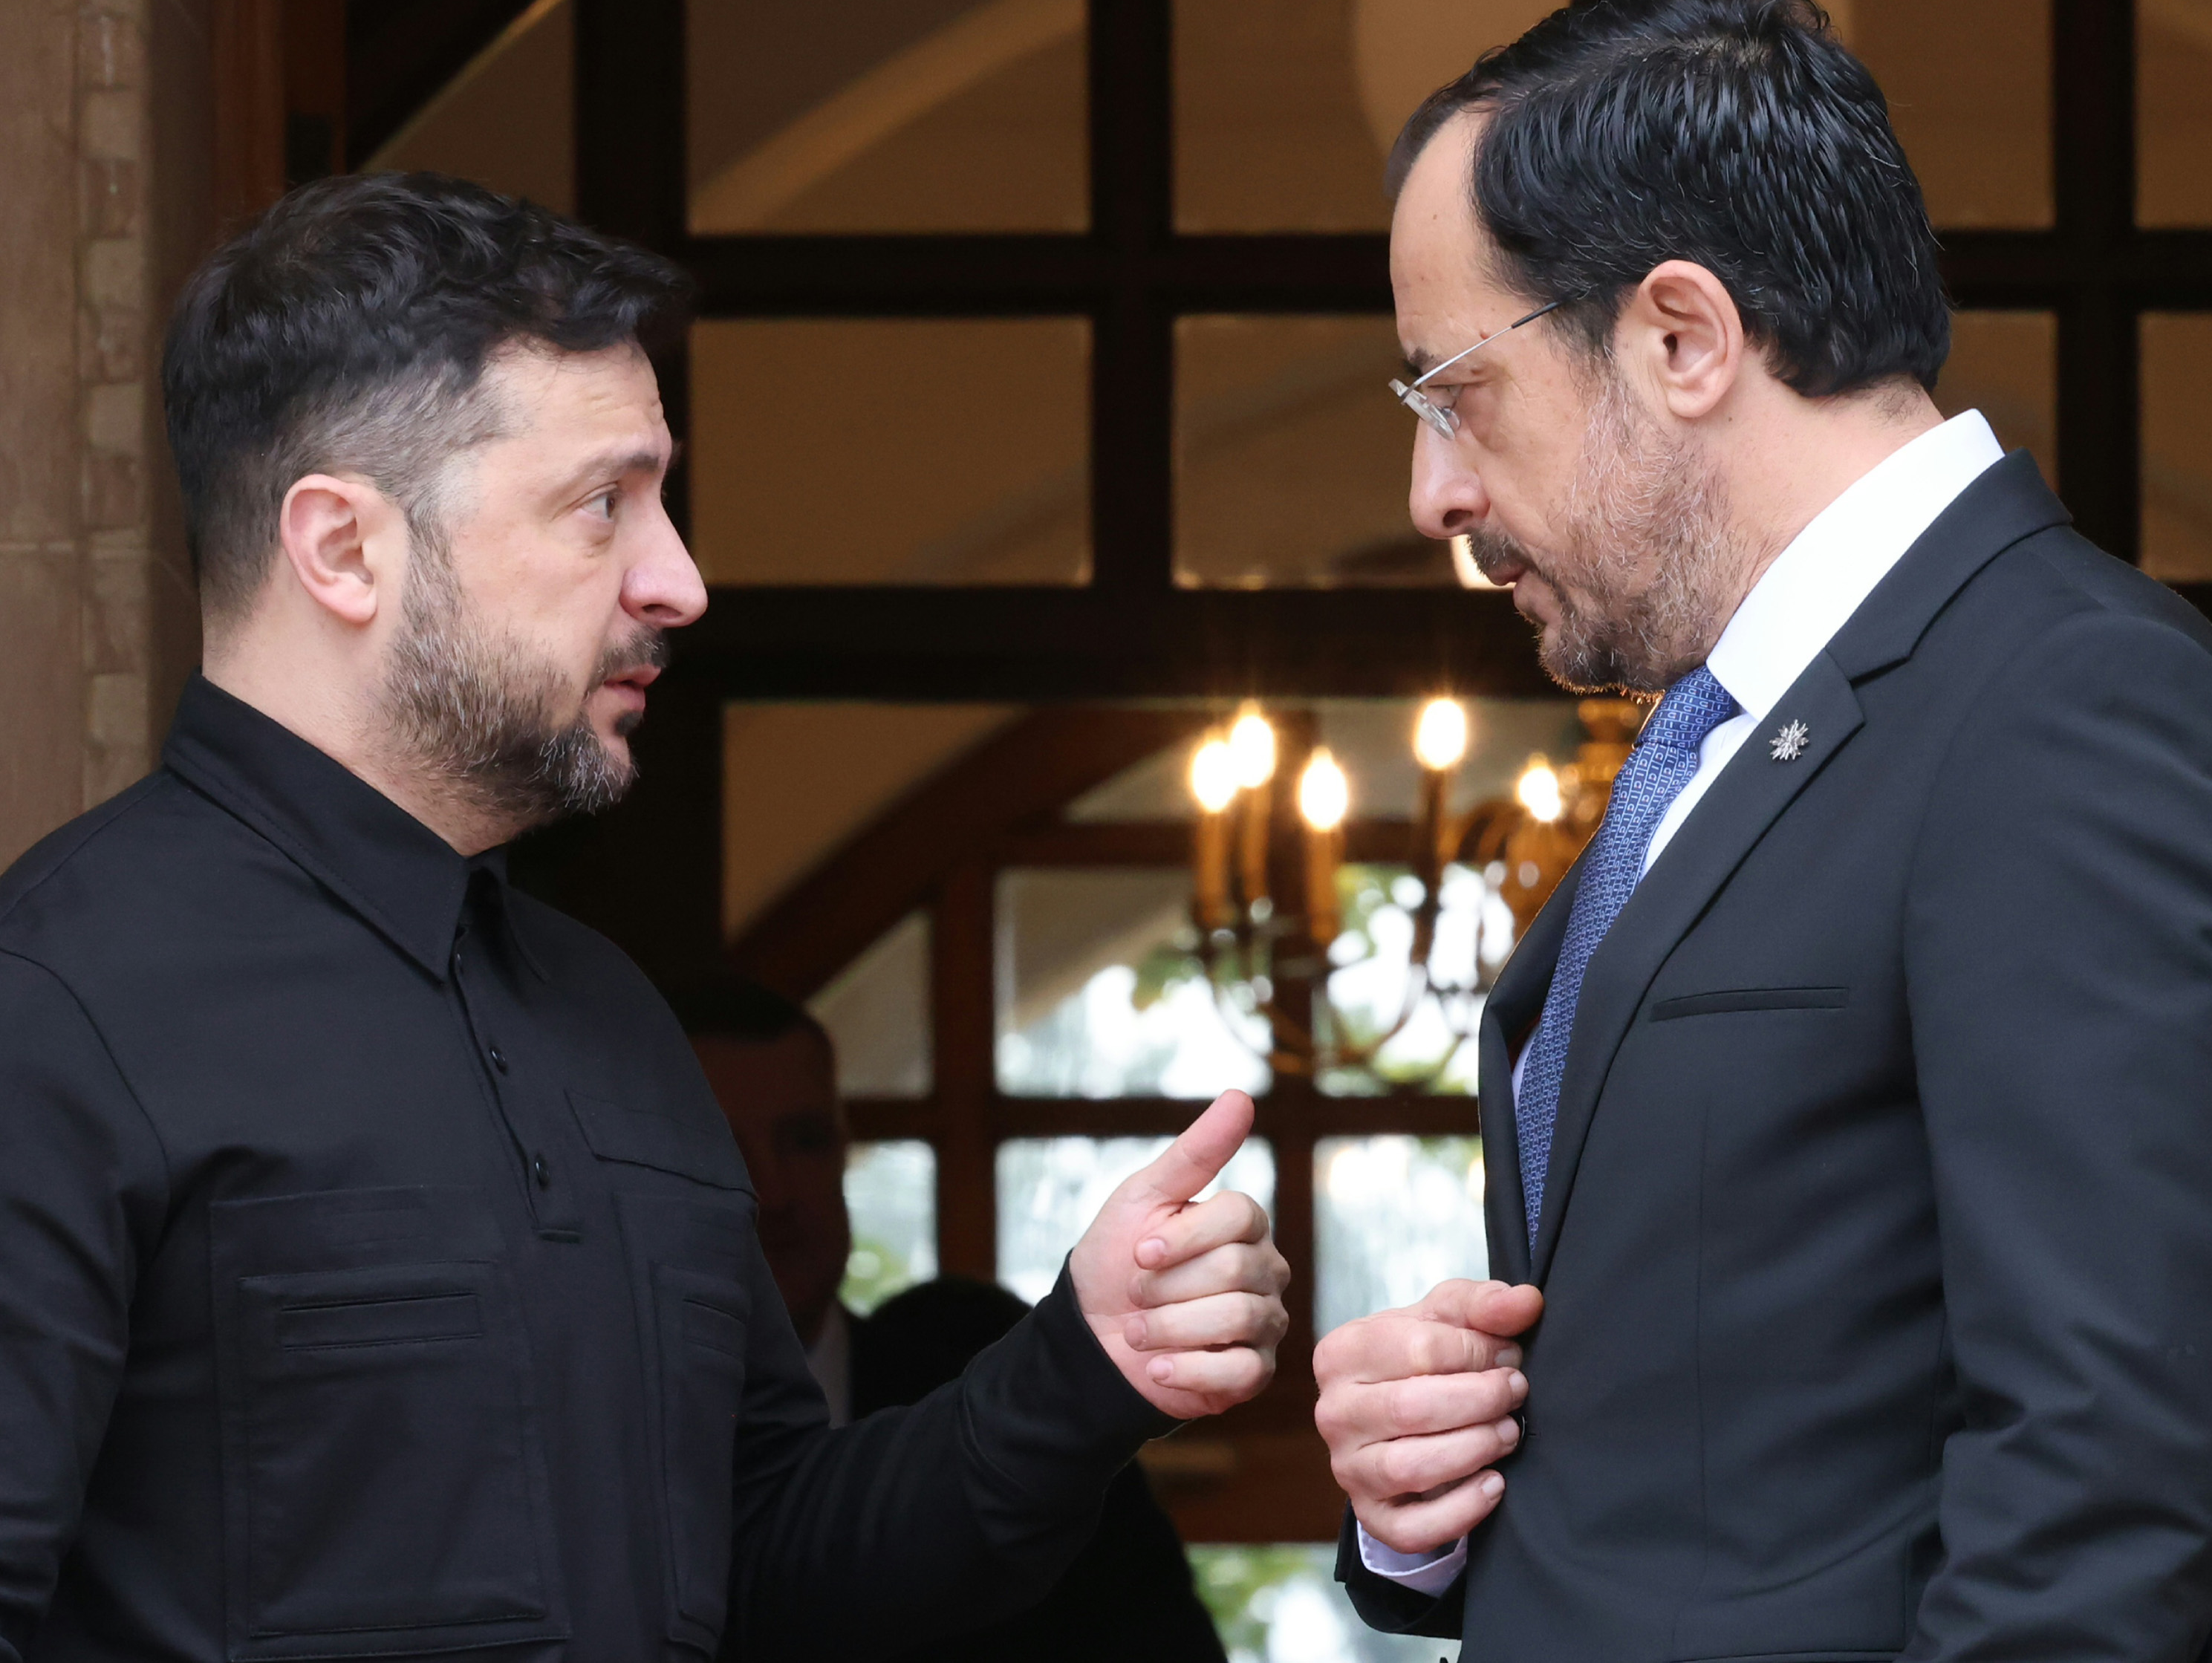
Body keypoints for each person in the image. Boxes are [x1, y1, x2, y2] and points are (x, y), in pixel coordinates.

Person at [0, 171, 1291, 1663]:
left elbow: (773, 1562)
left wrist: (1084, 1363)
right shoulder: (57, 1005)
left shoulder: (609, 1015)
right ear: (342, 548)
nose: (677, 580)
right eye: (601, 505)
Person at [1312, 0, 2212, 1662]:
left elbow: (2106, 1478)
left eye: (1453, 391)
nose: (1433, 493)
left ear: (1682, 336)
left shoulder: (2064, 696)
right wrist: (1428, 1496)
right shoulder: (1731, 732)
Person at [672, 973, 1227, 1663]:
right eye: (726, 1152)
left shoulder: (994, 1373)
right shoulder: (611, 1426)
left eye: (805, 1139)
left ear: (845, 1146)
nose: (776, 1191)